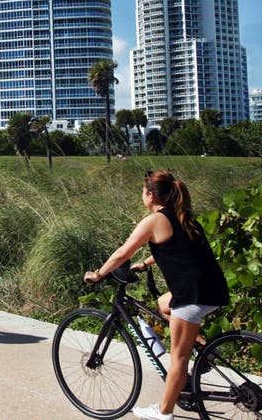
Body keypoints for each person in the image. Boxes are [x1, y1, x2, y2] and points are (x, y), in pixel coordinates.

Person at [83, 170, 229, 420]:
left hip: (192, 294)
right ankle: (205, 348)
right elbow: (177, 247)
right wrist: (148, 263)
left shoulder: (154, 221)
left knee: (178, 359)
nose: (142, 196)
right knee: (163, 304)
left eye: (143, 191)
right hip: (213, 287)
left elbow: (122, 254)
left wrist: (98, 274)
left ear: (150, 195)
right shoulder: (184, 216)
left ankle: (164, 412)